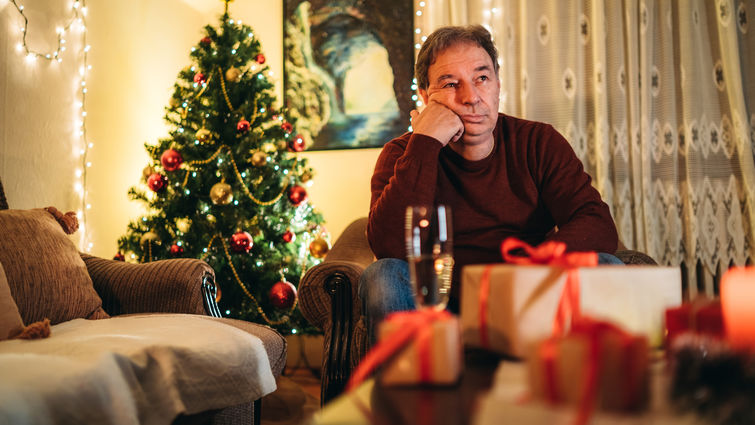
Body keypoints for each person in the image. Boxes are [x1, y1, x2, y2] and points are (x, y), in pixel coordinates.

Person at [360, 25, 620, 345]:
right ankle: (419, 389)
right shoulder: (403, 153)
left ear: (497, 83)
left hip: (527, 300)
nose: (471, 97)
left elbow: (597, 224)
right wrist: (425, 142)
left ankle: (588, 389)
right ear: (426, 97)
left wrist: (531, 269)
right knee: (383, 274)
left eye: (482, 78)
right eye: (451, 84)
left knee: (607, 265)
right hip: (438, 313)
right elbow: (389, 248)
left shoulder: (538, 142)